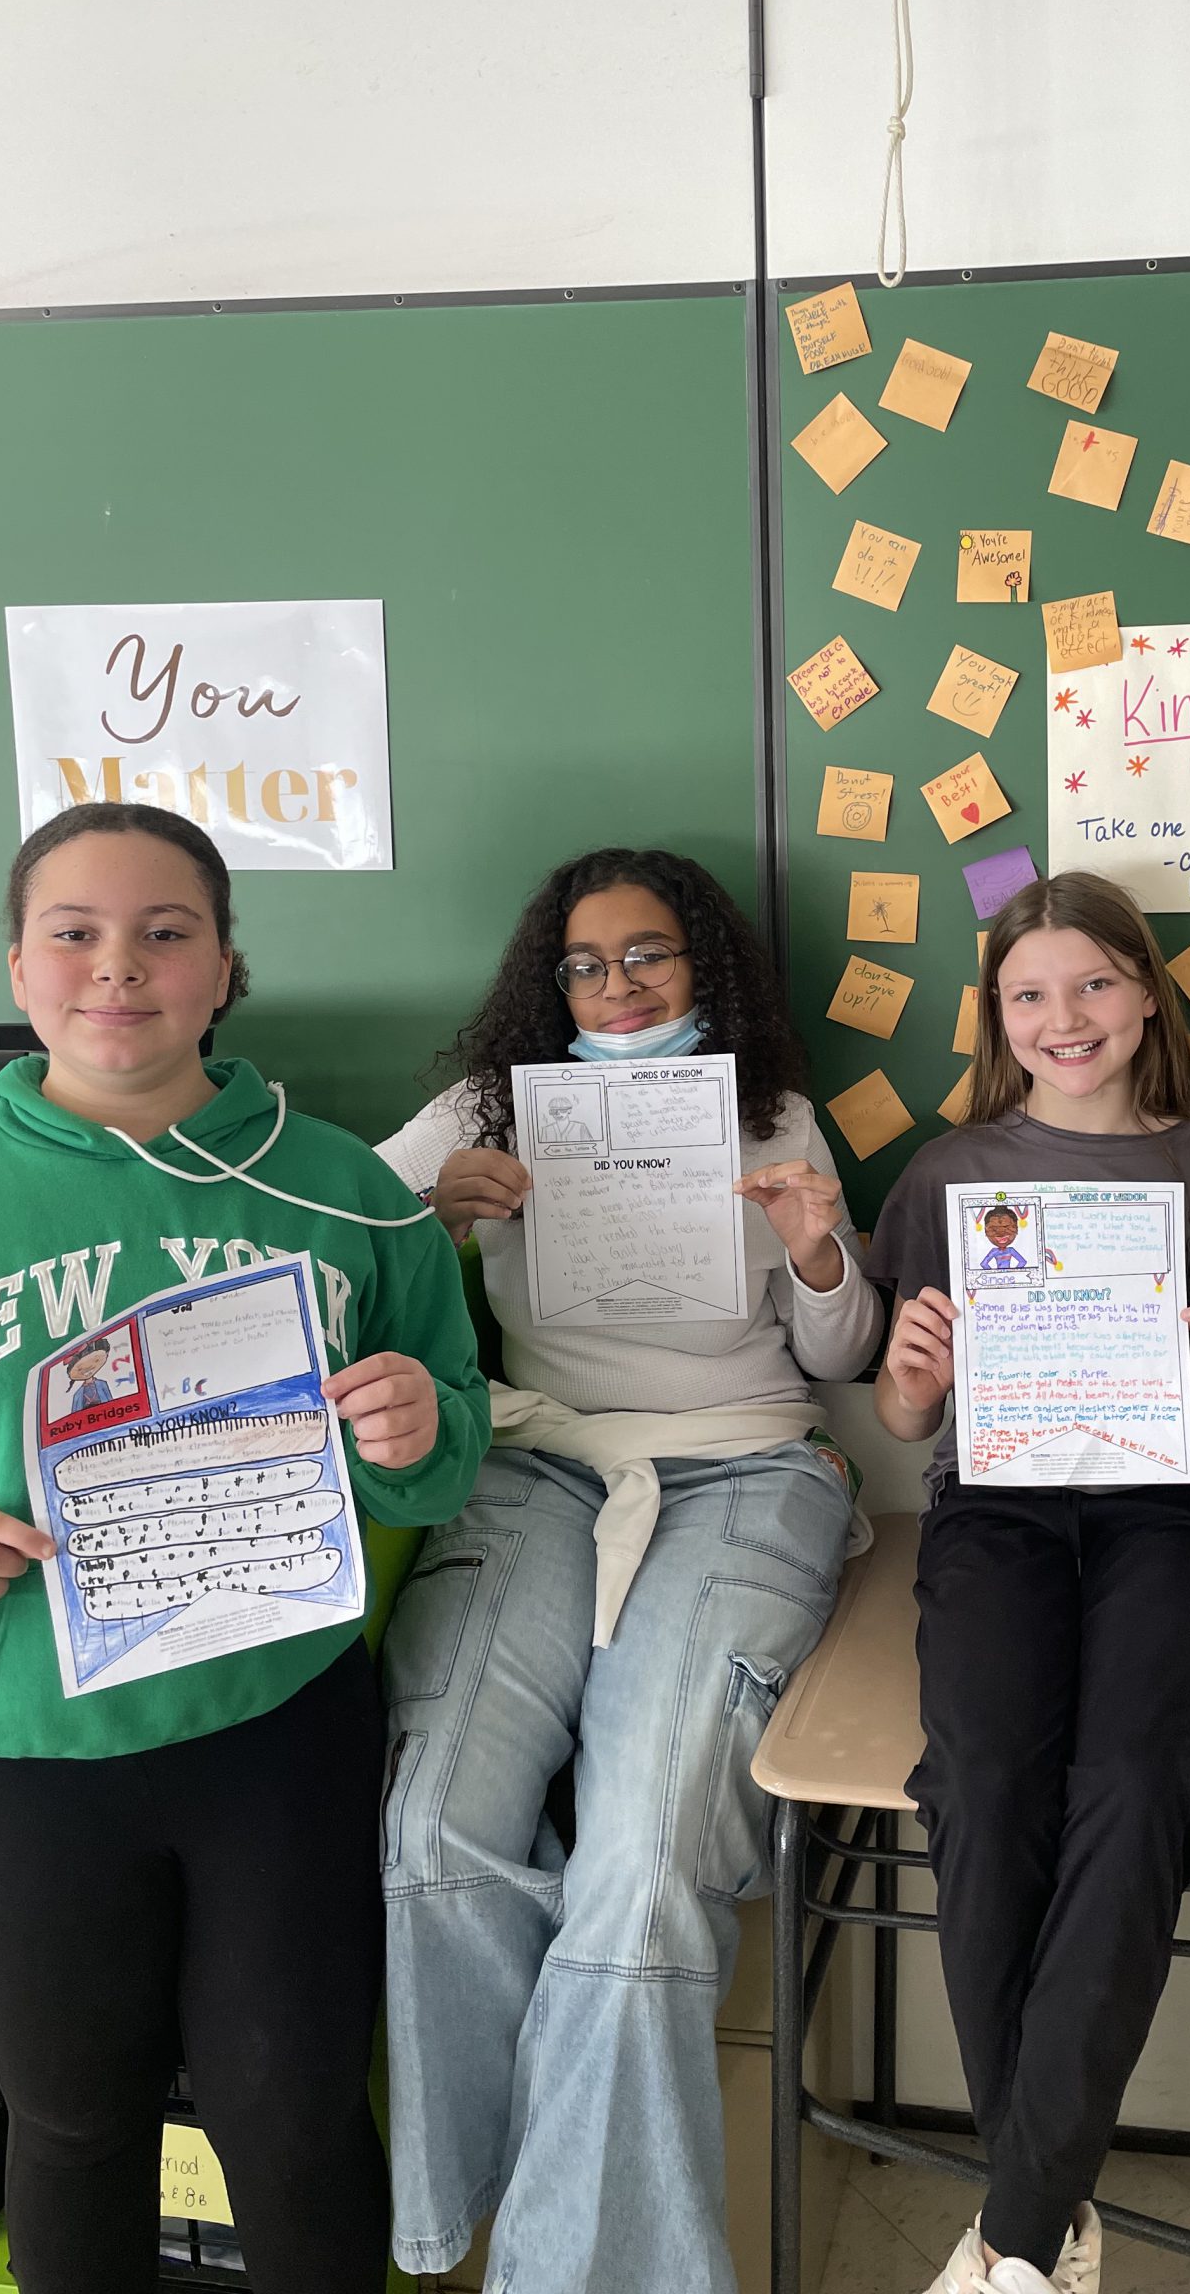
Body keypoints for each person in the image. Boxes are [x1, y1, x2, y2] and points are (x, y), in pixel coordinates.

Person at [0, 800, 489, 2294]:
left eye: (166, 933)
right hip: (13, 1749)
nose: (121, 967)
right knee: (74, 2120)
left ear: (225, 966)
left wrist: (424, 1430)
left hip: (272, 1734)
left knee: (291, 2119)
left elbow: (454, 1451)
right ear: (20, 966)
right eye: (76, 933)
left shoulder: (346, 1187)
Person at [373, 846, 883, 2294]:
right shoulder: (488, 1111)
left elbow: (843, 1359)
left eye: (648, 956)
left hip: (742, 1465)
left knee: (642, 1867)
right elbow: (323, 1260)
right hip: (535, 1463)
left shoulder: (769, 1112)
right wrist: (429, 1219)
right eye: (585, 965)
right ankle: (466, 2212)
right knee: (429, 1835)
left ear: (703, 969)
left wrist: (819, 1252)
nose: (617, 987)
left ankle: (582, 2271)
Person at [868, 870, 1190, 2294]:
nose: (1063, 1018)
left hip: (1170, 1513)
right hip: (995, 1510)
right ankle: (1044, 2210)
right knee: (989, 1774)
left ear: (1144, 999)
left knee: (1137, 1783)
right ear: (997, 1016)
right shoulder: (946, 1175)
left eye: (1093, 986)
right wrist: (909, 1378)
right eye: (1028, 994)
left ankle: (1016, 2230)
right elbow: (901, 1420)